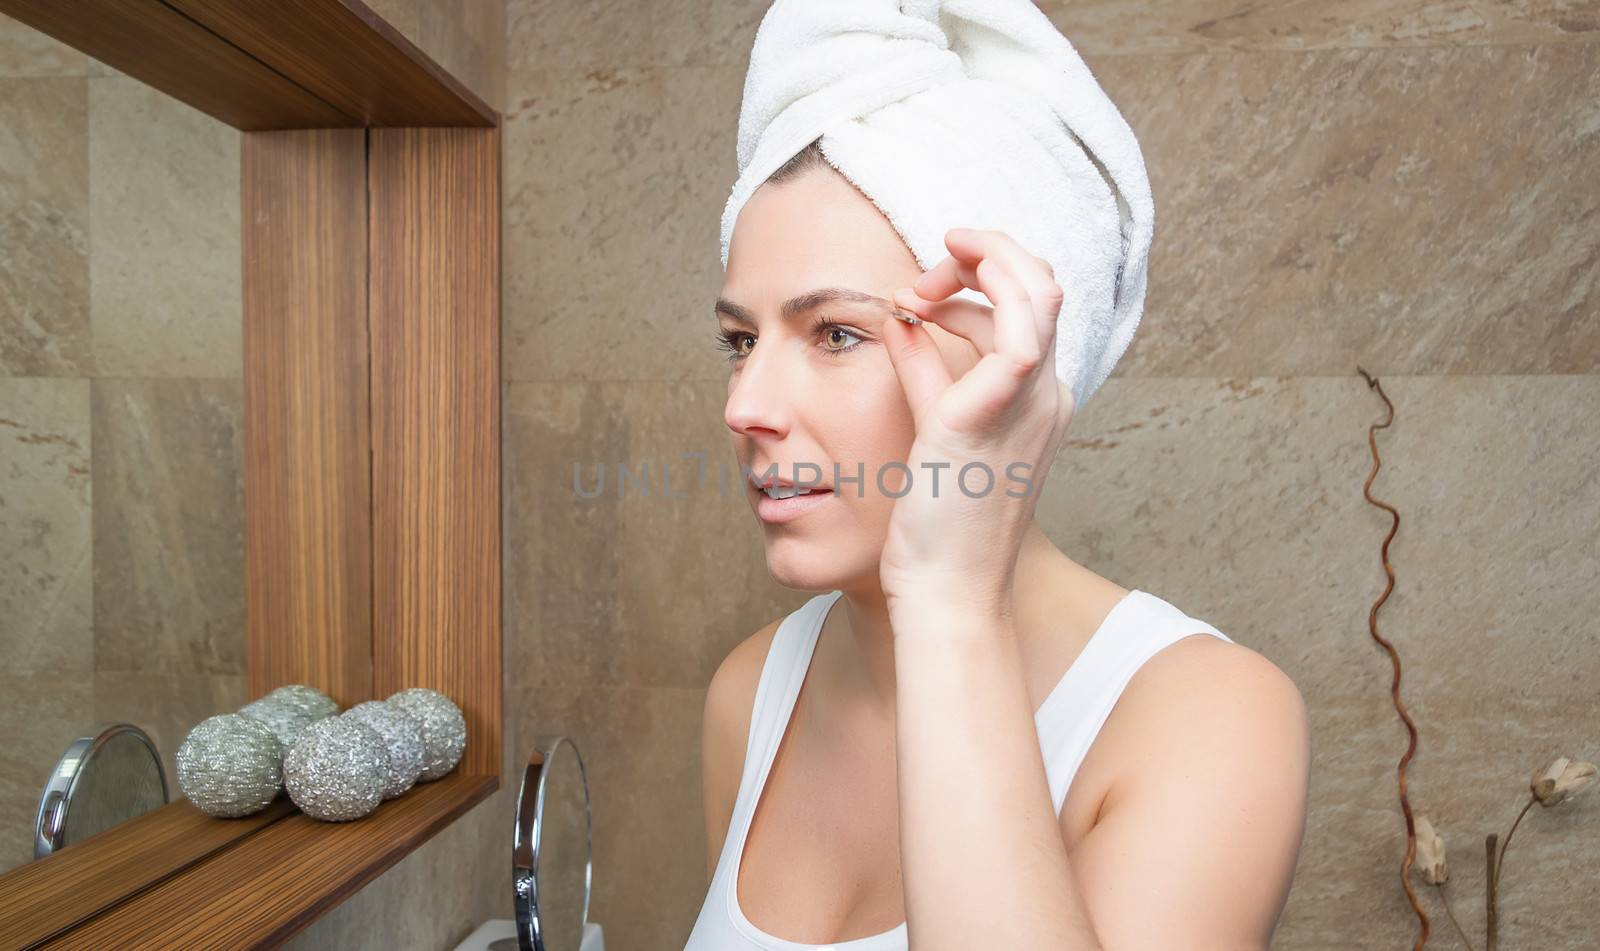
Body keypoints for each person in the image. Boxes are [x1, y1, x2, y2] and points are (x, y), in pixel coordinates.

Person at [683, 137, 1310, 950]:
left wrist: (949, 601)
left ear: (1002, 365)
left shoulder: (1212, 719)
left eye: (835, 333)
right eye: (741, 341)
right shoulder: (751, 692)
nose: (746, 406)